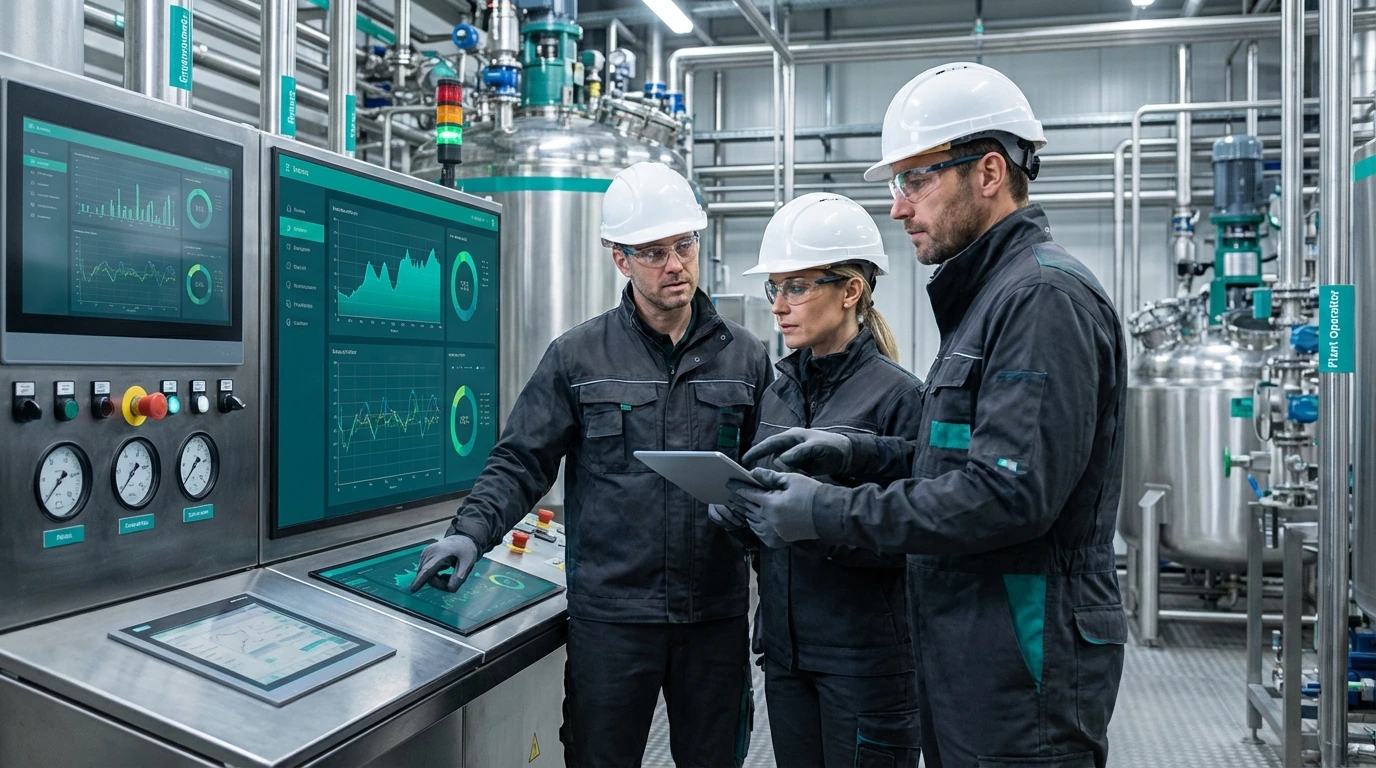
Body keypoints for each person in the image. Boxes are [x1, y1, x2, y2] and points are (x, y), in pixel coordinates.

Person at [727, 62, 1129, 768]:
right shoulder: (989, 299)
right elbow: (959, 459)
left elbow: (1007, 495)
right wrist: (855, 453)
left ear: (989, 172)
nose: (898, 207)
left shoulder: (1040, 299)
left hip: (1022, 659)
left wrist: (825, 511)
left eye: (915, 180)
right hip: (970, 649)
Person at [409, 161, 773, 767]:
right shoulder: (577, 357)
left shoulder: (745, 357)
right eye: (653, 252)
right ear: (620, 259)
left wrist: (778, 599)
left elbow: (769, 485)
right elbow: (522, 459)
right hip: (612, 621)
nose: (675, 264)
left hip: (713, 616)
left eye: (684, 245)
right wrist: (470, 531)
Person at [711, 193, 924, 767]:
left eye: (797, 288)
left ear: (850, 290)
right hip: (786, 655)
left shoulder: (900, 398)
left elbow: (916, 537)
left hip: (867, 661)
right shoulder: (778, 392)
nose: (779, 307)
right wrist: (741, 518)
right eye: (774, 289)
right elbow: (770, 521)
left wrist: (814, 523)